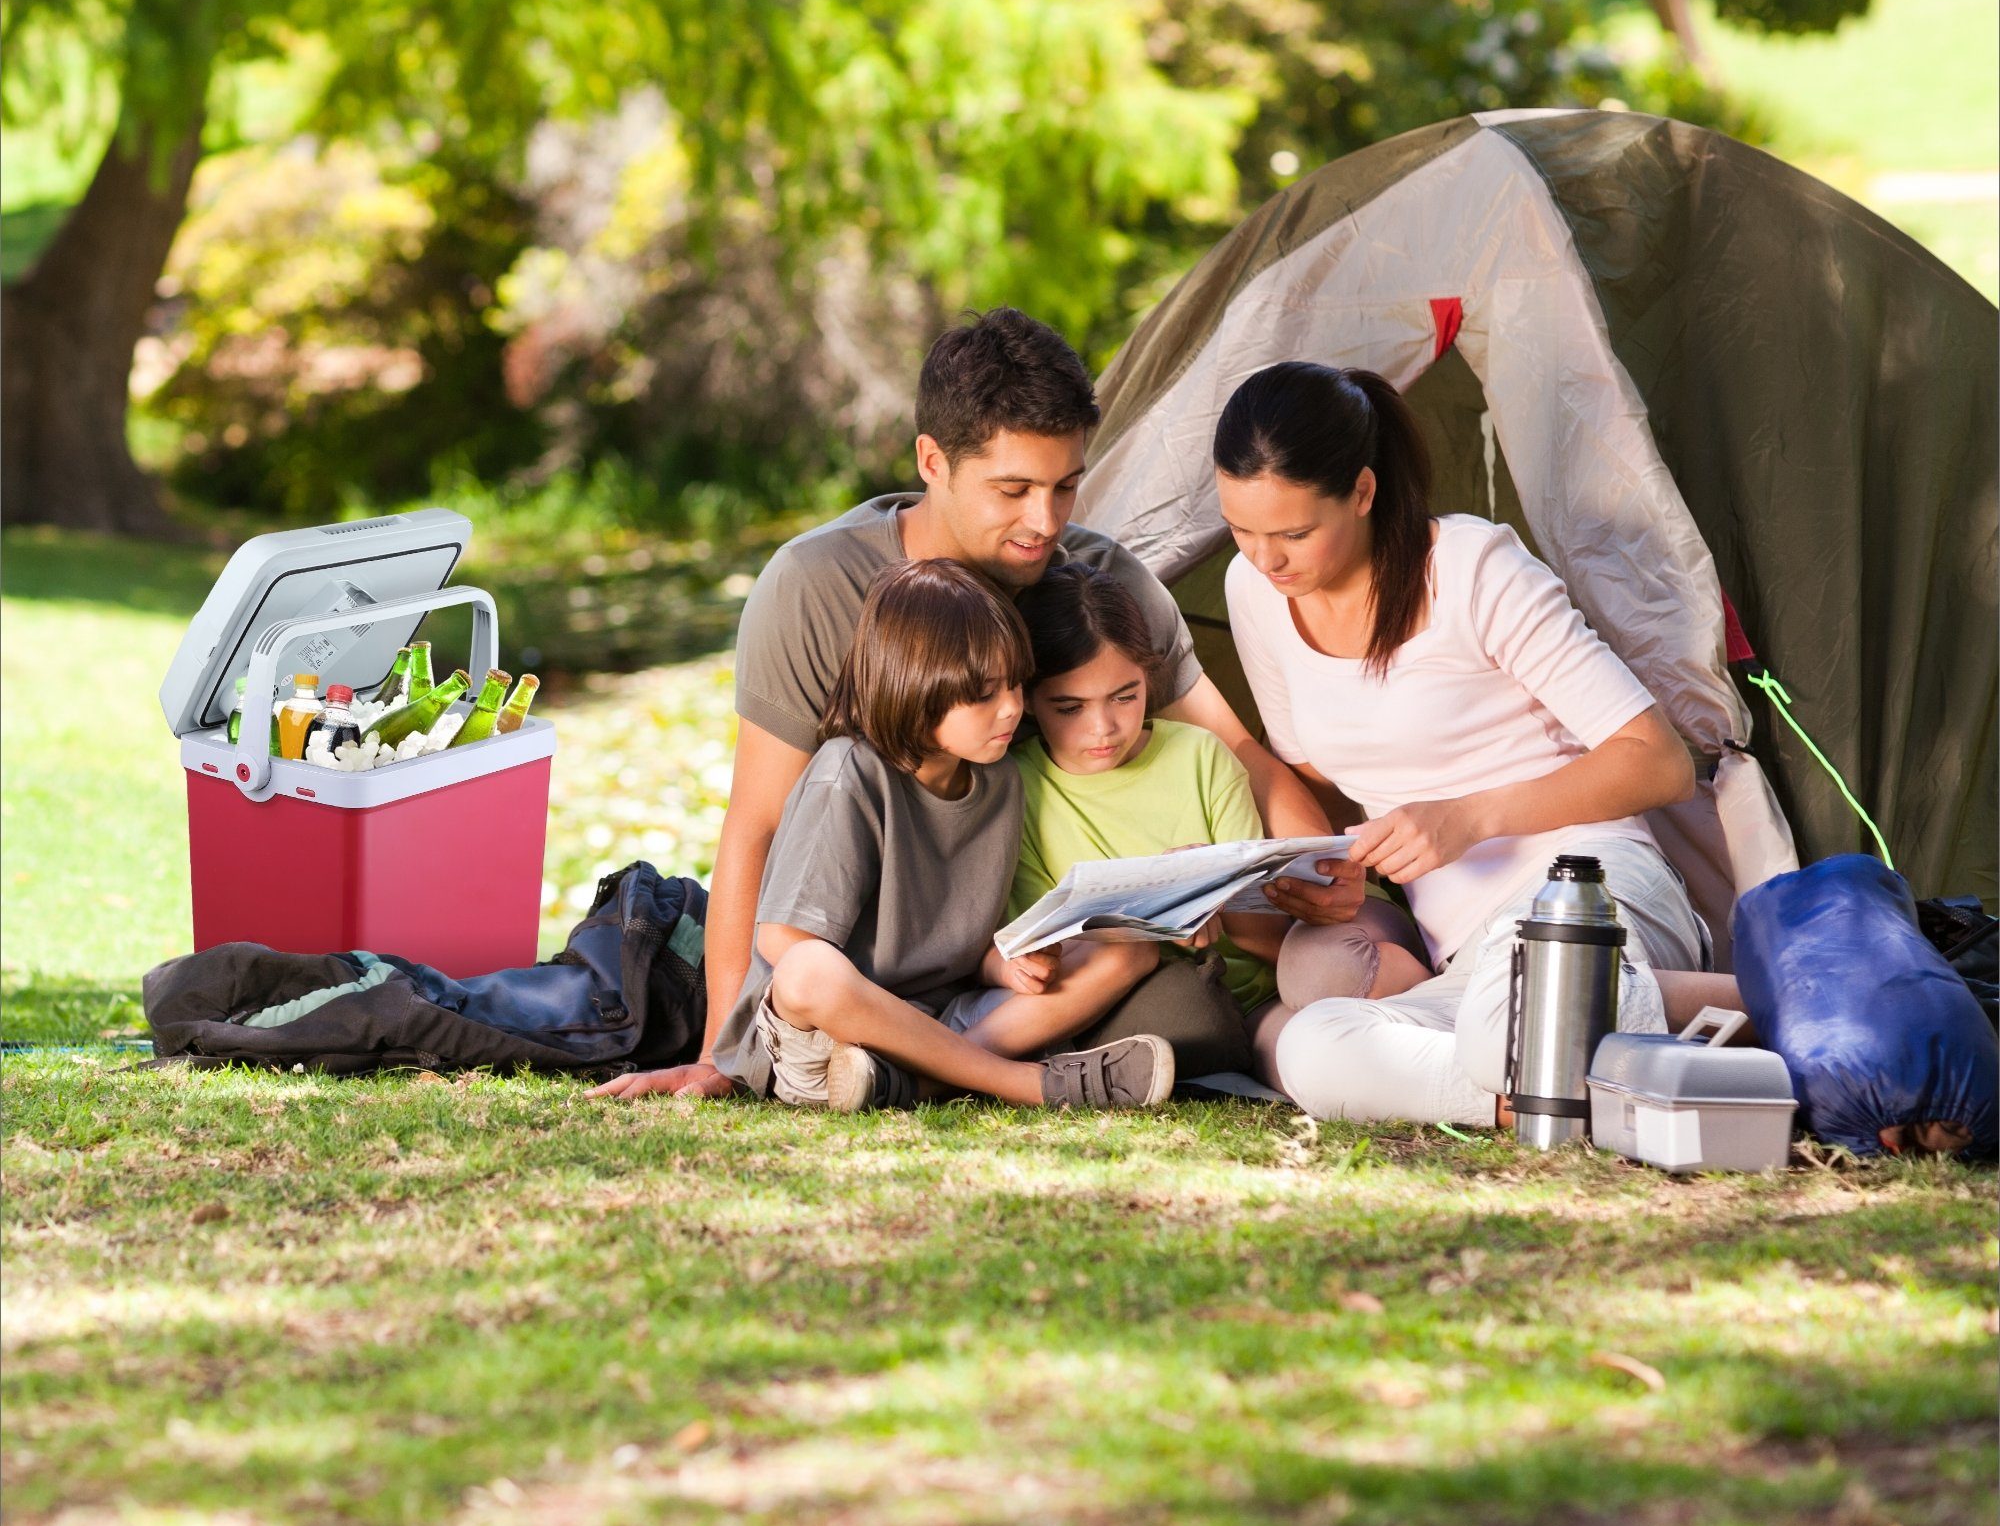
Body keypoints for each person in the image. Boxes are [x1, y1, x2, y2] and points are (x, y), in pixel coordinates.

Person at [600, 308, 1349, 1101]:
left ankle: (914, 1070)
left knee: (1181, 1015)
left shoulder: (1100, 583)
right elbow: (757, 823)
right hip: (869, 959)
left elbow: (1242, 754)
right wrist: (721, 1053)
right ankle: (989, 1076)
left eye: (1066, 486)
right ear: (933, 460)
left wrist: (1329, 879)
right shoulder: (815, 588)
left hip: (1014, 966)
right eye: (1013, 489)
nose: (1046, 522)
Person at [1213, 362, 1740, 1124]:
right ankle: (1524, 1097)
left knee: (1510, 1016)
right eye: (1241, 530)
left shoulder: (1470, 570)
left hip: (1588, 885)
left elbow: (1658, 762)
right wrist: (1335, 870)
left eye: (1294, 533)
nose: (1267, 559)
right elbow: (1320, 772)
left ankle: (1747, 1012)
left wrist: (1469, 817)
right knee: (1311, 1043)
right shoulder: (1253, 591)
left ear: (1362, 492)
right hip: (1468, 958)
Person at [685, 558, 1175, 1113]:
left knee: (1130, 950)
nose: (1012, 708)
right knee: (806, 970)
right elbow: (782, 943)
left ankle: (919, 1083)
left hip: (944, 1019)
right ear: (915, 689)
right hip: (825, 1038)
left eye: (1015, 683)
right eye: (984, 694)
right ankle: (1027, 1084)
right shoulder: (849, 774)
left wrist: (1002, 964)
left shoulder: (1000, 780)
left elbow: (958, 943)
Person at [962, 562, 1431, 1080]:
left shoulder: (1199, 754)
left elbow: (1269, 940)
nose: (1103, 728)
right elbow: (1053, 948)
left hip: (1277, 976)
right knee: (1316, 1064)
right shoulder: (1020, 788)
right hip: (1201, 1010)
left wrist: (1210, 892)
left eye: (1125, 696)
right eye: (1070, 708)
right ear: (1028, 700)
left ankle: (1437, 992)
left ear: (1149, 679)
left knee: (1324, 975)